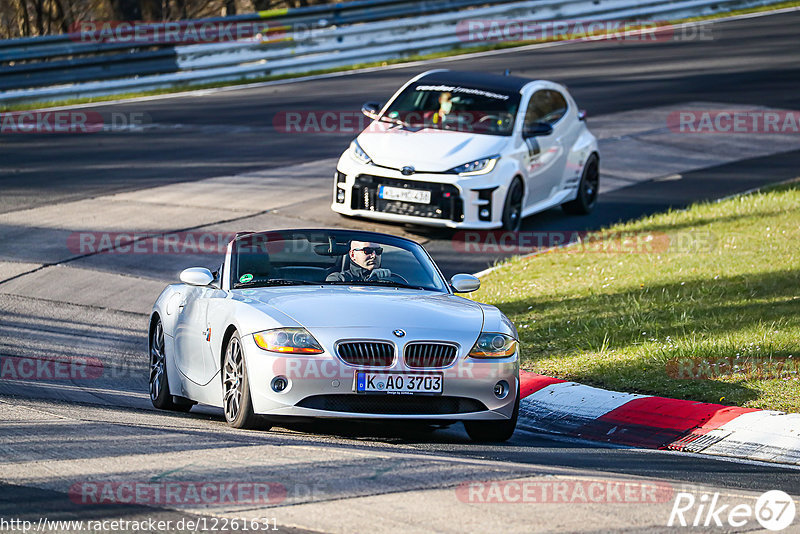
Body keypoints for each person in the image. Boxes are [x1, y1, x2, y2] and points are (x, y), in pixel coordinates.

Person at [325, 241, 393, 282]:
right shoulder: (338, 279)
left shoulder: (390, 280)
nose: (374, 256)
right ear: (352, 255)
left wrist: (386, 280)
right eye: (367, 251)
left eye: (378, 251)